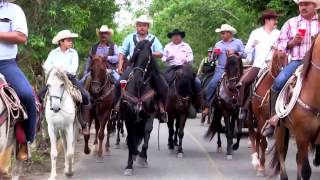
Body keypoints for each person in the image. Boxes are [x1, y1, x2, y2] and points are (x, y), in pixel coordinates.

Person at [263, 0, 320, 136]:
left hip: (317, 64)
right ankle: (273, 119)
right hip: (297, 61)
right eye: (301, 4)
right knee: (278, 82)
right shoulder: (291, 23)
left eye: (306, 4)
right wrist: (292, 42)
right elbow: (280, 44)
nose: (303, 7)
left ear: (314, 6)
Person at [0, 0, 37, 161]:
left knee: (26, 95)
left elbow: (21, 36)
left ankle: (25, 142)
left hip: (5, 64)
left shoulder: (13, 10)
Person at [115, 15, 169, 123]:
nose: (142, 27)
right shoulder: (129, 38)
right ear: (136, 26)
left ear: (148, 27)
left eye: (144, 25)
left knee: (164, 85)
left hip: (150, 67)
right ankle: (116, 109)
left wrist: (147, 53)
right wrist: (120, 65)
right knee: (118, 83)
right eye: (139, 25)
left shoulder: (153, 39)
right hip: (133, 66)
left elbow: (160, 52)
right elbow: (122, 52)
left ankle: (162, 109)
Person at [42, 30, 90, 135]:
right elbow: (46, 65)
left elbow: (73, 69)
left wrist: (62, 70)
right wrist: (55, 68)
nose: (71, 42)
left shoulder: (73, 53)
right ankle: (40, 122)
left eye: (71, 40)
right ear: (61, 42)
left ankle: (83, 124)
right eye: (68, 40)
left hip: (69, 79)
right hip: (54, 79)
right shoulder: (53, 53)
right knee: (40, 95)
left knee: (85, 96)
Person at [236, 10, 280, 122]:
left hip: (275, 66)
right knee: (243, 83)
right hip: (259, 65)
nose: (276, 21)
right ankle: (243, 109)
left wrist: (278, 48)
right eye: (274, 19)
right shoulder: (255, 33)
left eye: (276, 19)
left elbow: (285, 50)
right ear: (267, 20)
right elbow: (247, 51)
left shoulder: (278, 33)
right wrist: (252, 45)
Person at [203, 24, 245, 115]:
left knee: (244, 83)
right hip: (221, 68)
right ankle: (207, 105)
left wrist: (235, 52)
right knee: (212, 84)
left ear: (230, 33)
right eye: (221, 33)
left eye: (223, 33)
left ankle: (244, 106)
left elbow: (245, 54)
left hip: (235, 69)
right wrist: (215, 54)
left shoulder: (238, 42)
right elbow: (212, 59)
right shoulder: (218, 44)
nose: (221, 35)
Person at [162, 29, 201, 108]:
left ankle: (195, 100)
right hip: (171, 68)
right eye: (174, 36)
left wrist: (186, 60)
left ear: (181, 37)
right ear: (171, 37)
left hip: (184, 67)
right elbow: (163, 58)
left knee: (197, 82)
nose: (175, 37)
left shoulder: (186, 46)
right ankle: (162, 101)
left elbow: (191, 57)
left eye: (177, 35)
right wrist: (167, 59)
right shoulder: (167, 46)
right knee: (161, 80)